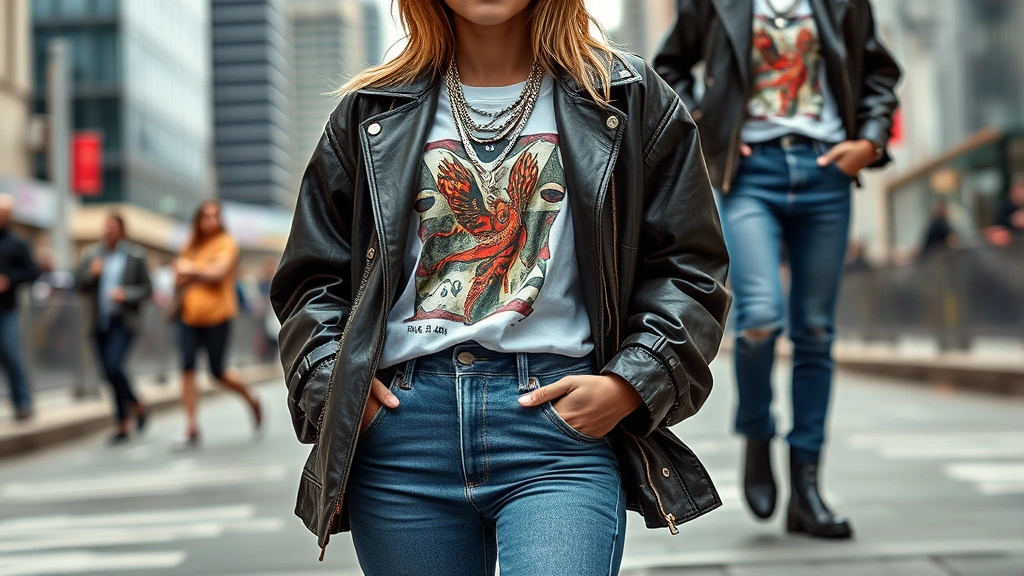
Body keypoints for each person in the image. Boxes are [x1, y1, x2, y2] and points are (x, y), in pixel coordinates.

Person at [271, 1, 731, 573]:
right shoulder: (370, 110)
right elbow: (311, 279)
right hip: (402, 434)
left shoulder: (627, 96)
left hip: (557, 428)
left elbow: (689, 265)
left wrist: (631, 383)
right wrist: (335, 389)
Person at [655, 0, 900, 539]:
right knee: (761, 316)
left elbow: (878, 72)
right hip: (749, 174)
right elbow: (669, 67)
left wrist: (870, 141)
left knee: (814, 330)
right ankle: (756, 433)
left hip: (826, 168)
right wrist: (709, 124)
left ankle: (807, 488)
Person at [173, 200, 262, 448]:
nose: (211, 221)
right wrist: (197, 270)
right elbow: (178, 276)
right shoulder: (191, 245)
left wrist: (191, 270)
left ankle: (251, 398)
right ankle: (191, 428)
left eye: (215, 216)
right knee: (187, 367)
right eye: (206, 216)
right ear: (198, 220)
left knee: (217, 372)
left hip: (217, 317)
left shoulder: (227, 244)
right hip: (189, 318)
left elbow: (218, 273)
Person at [77, 213, 152, 444]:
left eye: (113, 226)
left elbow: (147, 288)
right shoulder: (92, 255)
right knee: (108, 373)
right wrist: (91, 274)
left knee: (113, 366)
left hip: (123, 321)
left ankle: (132, 408)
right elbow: (79, 285)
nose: (109, 230)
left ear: (122, 230)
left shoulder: (135, 256)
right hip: (100, 322)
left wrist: (126, 294)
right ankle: (125, 421)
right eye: (106, 226)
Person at [0, 194, 40, 421]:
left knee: (11, 353)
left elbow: (33, 272)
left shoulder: (17, 243)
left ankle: (23, 402)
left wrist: (9, 280)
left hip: (7, 309)